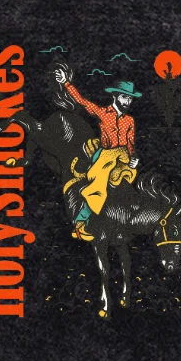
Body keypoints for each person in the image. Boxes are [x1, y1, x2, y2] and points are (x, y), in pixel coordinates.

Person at [54, 66, 141, 240]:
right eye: (124, 97)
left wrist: (133, 159)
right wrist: (66, 83)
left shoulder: (130, 120)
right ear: (115, 96)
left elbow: (130, 145)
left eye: (130, 98)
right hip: (105, 155)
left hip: (123, 157)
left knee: (128, 183)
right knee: (99, 186)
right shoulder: (103, 113)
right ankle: (80, 223)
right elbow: (82, 101)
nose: (127, 101)